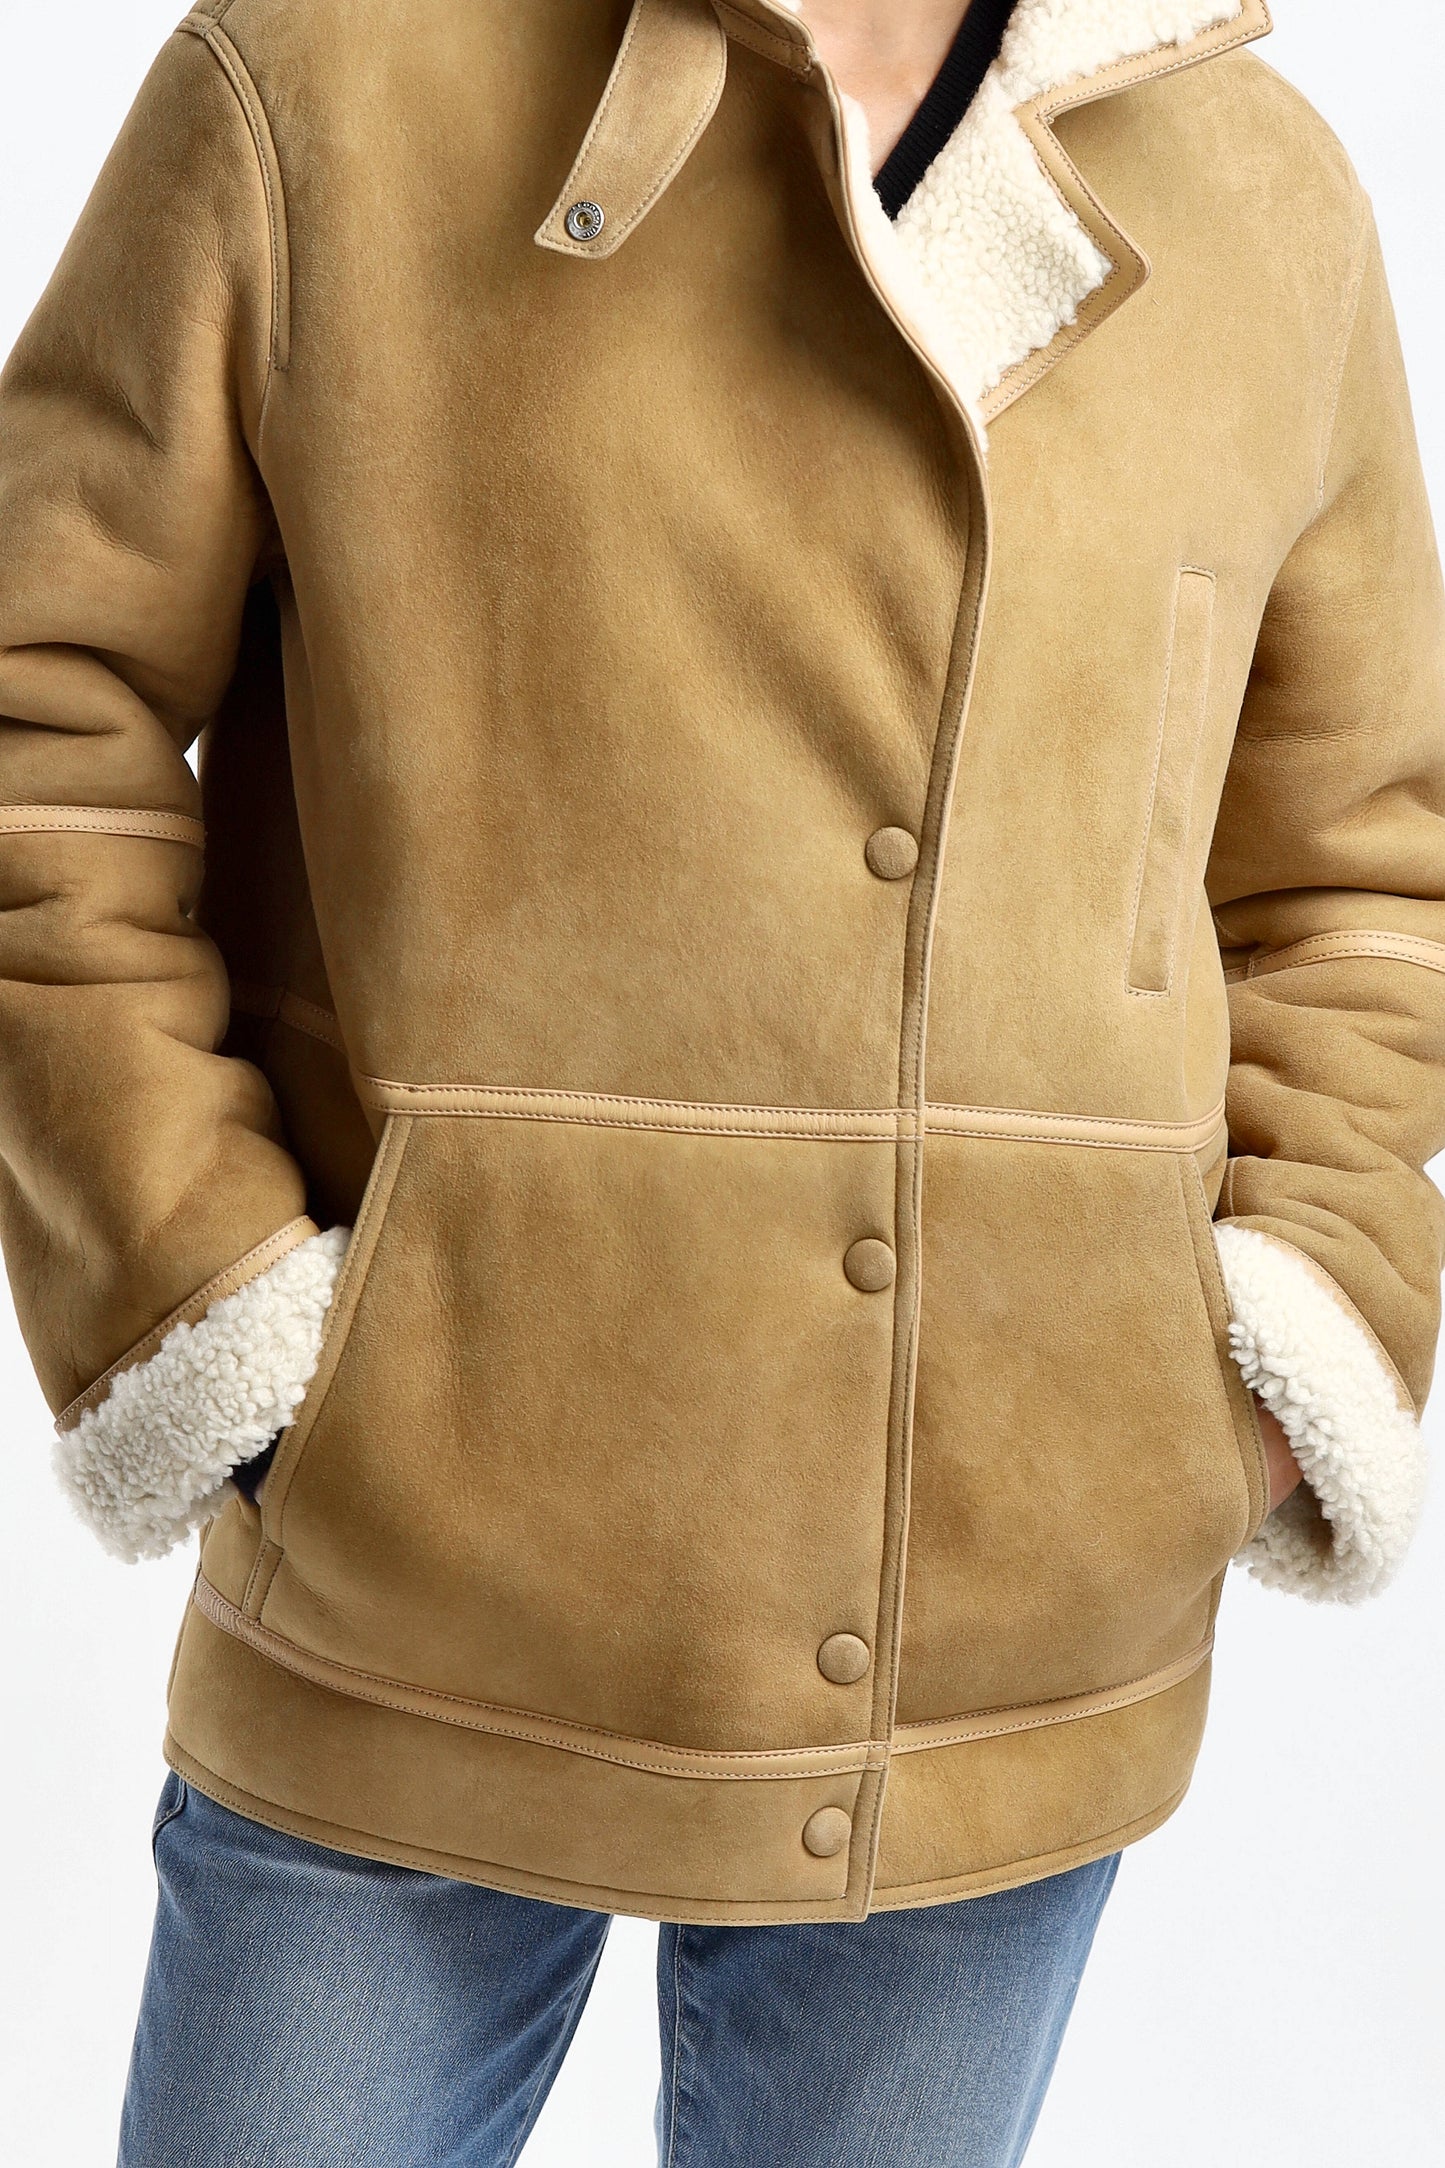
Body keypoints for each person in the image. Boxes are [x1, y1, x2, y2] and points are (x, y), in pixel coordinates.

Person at [0, 0, 1439, 2158]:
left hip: (1007, 1644)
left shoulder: (1263, 190)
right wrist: (218, 1308)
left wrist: (1248, 1361)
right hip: (414, 1606)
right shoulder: (328, 79)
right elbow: (46, 708)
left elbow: (1361, 873)